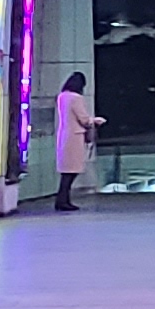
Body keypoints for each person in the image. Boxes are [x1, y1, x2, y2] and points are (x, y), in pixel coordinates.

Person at [47, 73, 99, 212]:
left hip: (65, 135)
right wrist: (95, 121)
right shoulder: (76, 98)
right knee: (71, 171)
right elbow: (84, 119)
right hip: (75, 137)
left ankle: (62, 199)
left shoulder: (62, 97)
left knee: (66, 172)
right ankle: (63, 200)